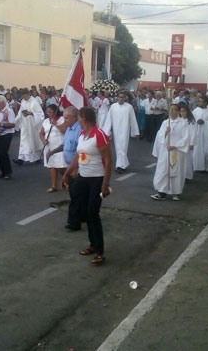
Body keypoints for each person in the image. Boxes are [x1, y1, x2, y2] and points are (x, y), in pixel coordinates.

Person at [62, 107, 112, 264]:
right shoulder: (83, 135)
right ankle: (92, 243)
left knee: (92, 212)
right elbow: (78, 155)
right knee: (84, 210)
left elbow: (109, 160)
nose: (78, 119)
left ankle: (99, 251)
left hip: (97, 179)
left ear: (84, 118)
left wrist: (105, 183)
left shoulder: (100, 135)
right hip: (83, 177)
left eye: (79, 117)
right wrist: (67, 172)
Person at [150, 104, 190, 201]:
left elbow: (186, 137)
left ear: (178, 111)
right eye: (171, 109)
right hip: (166, 151)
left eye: (175, 109)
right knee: (163, 171)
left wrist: (175, 146)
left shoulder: (183, 123)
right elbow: (159, 136)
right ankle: (161, 192)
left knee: (176, 172)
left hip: (177, 151)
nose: (172, 111)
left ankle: (175, 193)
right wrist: (165, 133)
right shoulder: (165, 122)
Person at [102, 91, 139, 173]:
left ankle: (120, 166)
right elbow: (109, 119)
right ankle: (124, 163)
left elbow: (133, 119)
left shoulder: (129, 107)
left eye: (123, 97)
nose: (121, 99)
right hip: (116, 130)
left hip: (125, 130)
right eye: (119, 97)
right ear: (117, 98)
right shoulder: (113, 107)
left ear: (125, 98)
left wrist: (135, 131)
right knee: (118, 148)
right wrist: (106, 131)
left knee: (123, 147)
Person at [40, 104, 68, 192]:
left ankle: (67, 180)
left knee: (61, 166)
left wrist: (56, 124)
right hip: (49, 145)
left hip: (59, 145)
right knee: (52, 165)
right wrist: (43, 140)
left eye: (50, 112)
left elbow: (64, 130)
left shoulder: (62, 119)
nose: (48, 114)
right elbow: (41, 133)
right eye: (47, 112)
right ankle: (53, 185)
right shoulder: (45, 121)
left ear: (55, 112)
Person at [14, 88, 44, 165]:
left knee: (34, 142)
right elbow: (20, 112)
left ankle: (39, 157)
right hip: (25, 125)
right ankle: (21, 159)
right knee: (24, 142)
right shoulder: (23, 101)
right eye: (22, 96)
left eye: (25, 96)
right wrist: (16, 120)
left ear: (28, 94)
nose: (24, 98)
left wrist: (31, 113)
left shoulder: (34, 102)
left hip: (33, 125)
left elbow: (40, 114)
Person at [0, 95, 16, 180]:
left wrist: (1, 124)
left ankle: (8, 172)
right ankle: (3, 171)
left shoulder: (9, 111)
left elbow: (13, 124)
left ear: (2, 102)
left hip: (7, 134)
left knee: (3, 153)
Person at [192, 95, 208, 173]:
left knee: (207, 150)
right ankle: (198, 167)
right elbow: (192, 121)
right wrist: (197, 122)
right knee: (197, 150)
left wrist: (205, 122)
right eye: (199, 101)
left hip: (207, 134)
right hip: (198, 133)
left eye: (201, 101)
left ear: (206, 102)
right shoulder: (196, 110)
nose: (199, 103)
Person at [179, 102, 197, 181]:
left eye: (184, 111)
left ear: (187, 111)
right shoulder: (179, 120)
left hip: (188, 142)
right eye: (181, 111)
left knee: (188, 160)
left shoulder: (191, 121)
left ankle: (188, 175)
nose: (182, 113)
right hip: (180, 143)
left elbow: (194, 132)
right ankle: (180, 175)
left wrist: (191, 143)